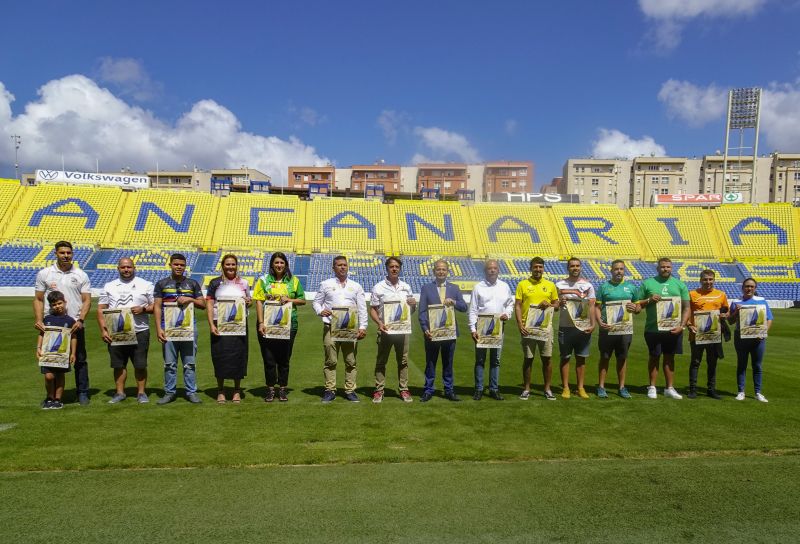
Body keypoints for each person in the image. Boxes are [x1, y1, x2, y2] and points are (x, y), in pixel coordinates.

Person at [33, 240, 91, 405]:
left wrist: (80, 320)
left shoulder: (80, 275)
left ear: (72, 254)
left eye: (69, 253)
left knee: (79, 360)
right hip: (51, 327)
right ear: (56, 253)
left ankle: (82, 392)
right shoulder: (45, 273)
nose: (66, 256)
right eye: (62, 253)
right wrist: (38, 320)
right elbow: (38, 299)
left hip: (74, 325)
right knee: (51, 362)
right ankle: (51, 396)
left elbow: (87, 300)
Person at [97, 258, 155, 404]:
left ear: (134, 268)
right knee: (118, 364)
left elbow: (156, 306)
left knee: (140, 365)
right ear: (118, 268)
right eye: (123, 267)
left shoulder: (145, 284)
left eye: (129, 267)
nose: (126, 270)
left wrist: (144, 309)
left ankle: (141, 393)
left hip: (140, 330)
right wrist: (104, 330)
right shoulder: (109, 286)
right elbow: (101, 309)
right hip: (116, 331)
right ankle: (119, 393)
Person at [312, 255, 368, 403]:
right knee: (330, 360)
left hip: (350, 329)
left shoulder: (356, 286)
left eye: (344, 265)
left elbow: (362, 308)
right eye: (339, 265)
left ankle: (350, 390)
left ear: (347, 266)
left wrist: (362, 327)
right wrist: (320, 311)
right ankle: (330, 390)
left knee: (351, 361)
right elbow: (316, 302)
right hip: (330, 327)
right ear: (333, 268)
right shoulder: (325, 284)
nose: (342, 267)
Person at [153, 253, 206, 405]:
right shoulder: (161, 284)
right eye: (176, 264)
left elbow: (202, 305)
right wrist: (158, 328)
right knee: (169, 363)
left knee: (189, 363)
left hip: (189, 328)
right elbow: (157, 306)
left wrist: (190, 299)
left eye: (182, 265)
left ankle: (191, 392)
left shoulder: (193, 284)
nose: (179, 267)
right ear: (170, 265)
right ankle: (169, 392)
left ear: (185, 266)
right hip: (168, 328)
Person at [253, 252, 306, 402]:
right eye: (276, 262)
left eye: (282, 263)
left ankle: (282, 388)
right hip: (267, 324)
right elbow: (258, 300)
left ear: (286, 264)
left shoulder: (293, 280)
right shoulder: (263, 280)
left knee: (284, 358)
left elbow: (302, 300)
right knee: (269, 358)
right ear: (272, 264)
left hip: (289, 324)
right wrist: (261, 322)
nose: (279, 265)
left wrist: (289, 299)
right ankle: (270, 389)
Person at [637, 257, 691, 400]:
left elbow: (687, 308)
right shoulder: (648, 283)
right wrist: (648, 300)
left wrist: (682, 326)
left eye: (667, 267)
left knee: (670, 358)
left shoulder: (680, 285)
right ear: (657, 268)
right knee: (654, 357)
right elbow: (637, 305)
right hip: (653, 329)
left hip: (673, 329)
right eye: (662, 267)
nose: (665, 269)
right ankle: (652, 387)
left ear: (671, 268)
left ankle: (669, 388)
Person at [418, 259, 467, 402]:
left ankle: (449, 390)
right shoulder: (426, 288)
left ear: (447, 272)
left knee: (448, 363)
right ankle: (428, 390)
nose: (441, 272)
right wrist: (425, 328)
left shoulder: (455, 288)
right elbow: (422, 311)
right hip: (432, 333)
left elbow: (464, 307)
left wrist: (455, 302)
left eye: (444, 269)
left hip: (449, 333)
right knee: (431, 362)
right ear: (434, 271)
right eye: (438, 269)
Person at [369, 257, 416, 403]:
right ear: (387, 268)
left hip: (402, 331)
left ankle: (404, 390)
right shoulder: (379, 287)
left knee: (403, 361)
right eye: (391, 266)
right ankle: (379, 390)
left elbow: (410, 311)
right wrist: (379, 323)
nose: (394, 269)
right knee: (382, 361)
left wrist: (413, 305)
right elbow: (373, 310)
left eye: (397, 266)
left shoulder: (406, 287)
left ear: (400, 268)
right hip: (385, 330)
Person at [206, 254, 251, 404]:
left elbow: (248, 302)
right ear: (222, 266)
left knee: (239, 357)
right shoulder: (215, 283)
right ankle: (221, 390)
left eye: (233, 264)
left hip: (239, 326)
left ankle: (237, 390)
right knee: (220, 357)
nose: (230, 267)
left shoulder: (244, 283)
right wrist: (211, 325)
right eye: (227, 264)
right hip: (220, 326)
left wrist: (248, 301)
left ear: (237, 266)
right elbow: (210, 304)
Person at [468, 259, 514, 400]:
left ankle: (494, 389)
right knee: (480, 360)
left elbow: (510, 304)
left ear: (498, 270)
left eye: (495, 268)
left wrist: (508, 314)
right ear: (485, 271)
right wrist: (472, 328)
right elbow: (473, 309)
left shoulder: (504, 286)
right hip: (481, 328)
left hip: (499, 328)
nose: (492, 270)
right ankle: (479, 389)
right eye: (489, 268)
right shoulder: (478, 287)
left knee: (495, 360)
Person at [594, 259, 640, 399]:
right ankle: (601, 386)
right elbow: (597, 307)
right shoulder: (604, 287)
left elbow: (638, 307)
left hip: (624, 330)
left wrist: (635, 308)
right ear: (611, 270)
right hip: (607, 328)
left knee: (622, 358)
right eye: (616, 269)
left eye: (621, 269)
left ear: (624, 270)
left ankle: (621, 387)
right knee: (605, 357)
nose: (618, 271)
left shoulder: (631, 287)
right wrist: (599, 321)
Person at [515, 257, 559, 400]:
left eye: (540, 267)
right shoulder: (522, 284)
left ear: (543, 268)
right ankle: (527, 388)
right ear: (531, 268)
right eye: (535, 267)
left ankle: (547, 389)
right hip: (528, 328)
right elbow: (518, 305)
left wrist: (550, 305)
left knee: (547, 359)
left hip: (545, 328)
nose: (538, 269)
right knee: (528, 359)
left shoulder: (550, 285)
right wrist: (520, 325)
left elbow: (557, 305)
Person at [555, 257, 596, 399]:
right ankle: (565, 387)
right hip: (565, 327)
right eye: (572, 265)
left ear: (581, 267)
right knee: (565, 358)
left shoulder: (588, 286)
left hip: (582, 328)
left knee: (581, 358)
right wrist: (560, 302)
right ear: (568, 268)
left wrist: (593, 324)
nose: (575, 268)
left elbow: (591, 306)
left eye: (577, 265)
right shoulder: (559, 285)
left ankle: (580, 387)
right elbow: (554, 307)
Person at [686, 269, 729, 400]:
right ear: (700, 280)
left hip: (714, 334)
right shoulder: (692, 294)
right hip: (697, 334)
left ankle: (711, 389)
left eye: (710, 279)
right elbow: (685, 312)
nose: (708, 282)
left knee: (712, 363)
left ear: (714, 280)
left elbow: (726, 311)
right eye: (705, 279)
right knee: (695, 362)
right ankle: (693, 389)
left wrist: (724, 315)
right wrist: (689, 325)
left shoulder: (721, 295)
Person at [729, 278, 773, 403]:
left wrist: (764, 332)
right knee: (741, 365)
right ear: (742, 288)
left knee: (757, 365)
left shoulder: (762, 301)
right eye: (747, 286)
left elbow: (769, 319)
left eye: (751, 286)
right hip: (741, 337)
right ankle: (741, 391)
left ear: (755, 288)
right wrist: (736, 312)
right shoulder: (736, 302)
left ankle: (758, 392)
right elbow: (730, 321)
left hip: (758, 338)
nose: (749, 288)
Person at [36, 291, 77, 409]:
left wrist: (73, 353)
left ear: (65, 302)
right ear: (51, 306)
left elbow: (73, 337)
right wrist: (38, 348)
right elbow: (41, 334)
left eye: (60, 303)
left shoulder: (70, 320)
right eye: (54, 305)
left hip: (62, 354)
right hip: (47, 353)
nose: (57, 306)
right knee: (49, 376)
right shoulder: (47, 319)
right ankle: (49, 397)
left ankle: (58, 399)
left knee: (60, 376)